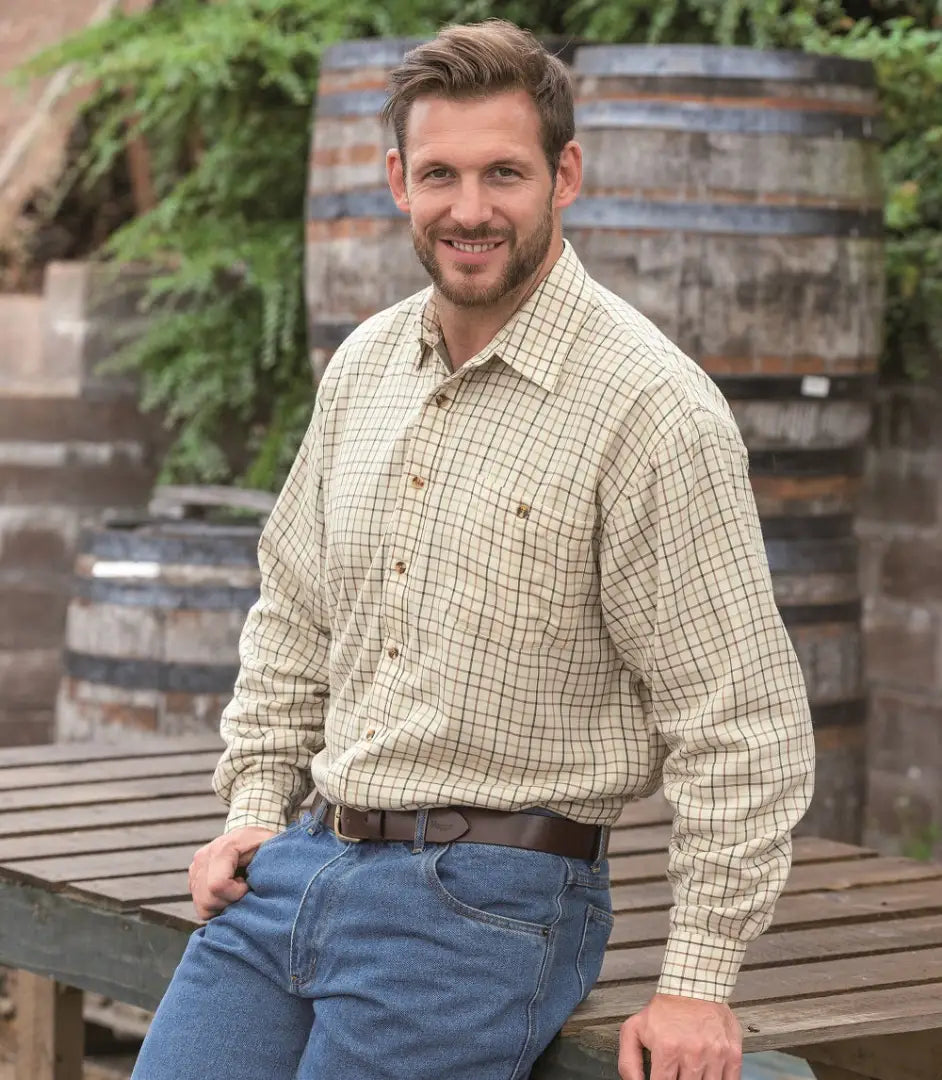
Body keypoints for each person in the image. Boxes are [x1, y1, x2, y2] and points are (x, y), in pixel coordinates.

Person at [131, 19, 814, 1080]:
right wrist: (253, 808)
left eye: (505, 172)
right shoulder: (364, 365)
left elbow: (742, 717)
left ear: (565, 175)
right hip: (304, 861)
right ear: (398, 180)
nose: (471, 209)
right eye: (441, 174)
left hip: (483, 905)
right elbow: (294, 616)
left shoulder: (649, 408)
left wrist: (698, 980)